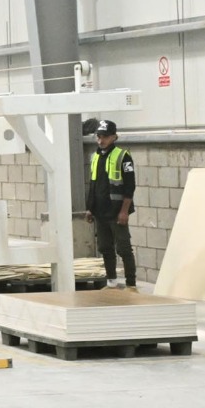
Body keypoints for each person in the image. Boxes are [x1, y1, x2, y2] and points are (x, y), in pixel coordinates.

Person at [86, 119, 137, 290]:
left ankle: (131, 284)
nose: (101, 140)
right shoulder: (96, 157)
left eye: (105, 137)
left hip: (116, 212)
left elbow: (130, 186)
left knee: (123, 248)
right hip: (100, 212)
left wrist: (124, 211)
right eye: (99, 137)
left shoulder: (123, 156)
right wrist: (90, 208)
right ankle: (111, 282)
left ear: (114, 137)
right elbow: (93, 184)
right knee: (105, 248)